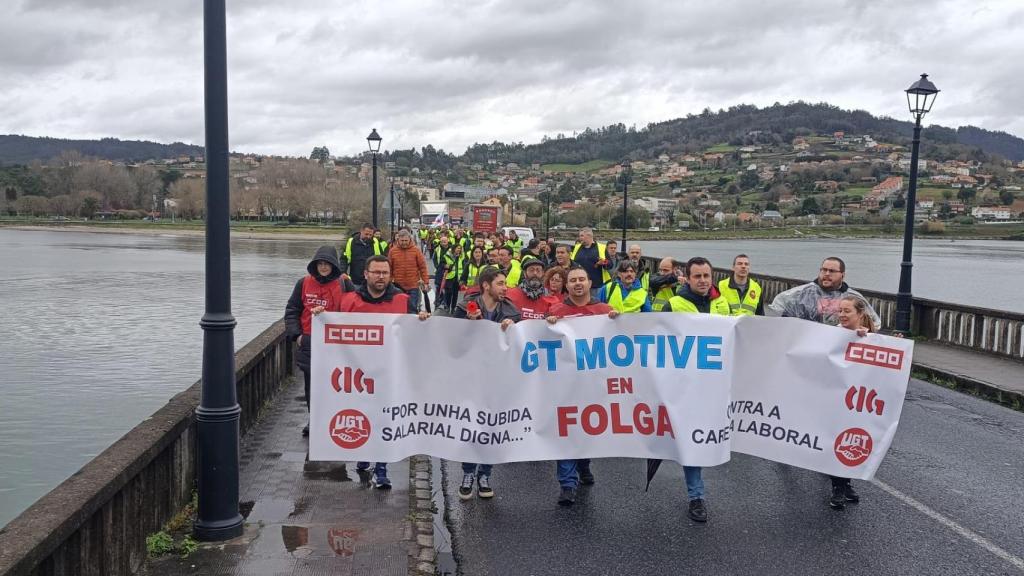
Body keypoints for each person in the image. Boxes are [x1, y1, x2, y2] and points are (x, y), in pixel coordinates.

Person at [326, 255, 429, 488]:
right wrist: (321, 315)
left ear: (390, 275)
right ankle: (364, 454)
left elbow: (416, 333)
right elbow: (333, 328)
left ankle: (381, 469)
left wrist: (422, 320)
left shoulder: (402, 300)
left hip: (390, 372)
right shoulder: (349, 300)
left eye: (385, 272)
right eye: (376, 272)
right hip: (358, 374)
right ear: (366, 274)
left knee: (385, 419)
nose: (381, 276)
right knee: (364, 415)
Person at [545, 266, 620, 506]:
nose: (578, 284)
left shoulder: (605, 311)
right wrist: (549, 325)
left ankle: (584, 464)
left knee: (587, 430)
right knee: (565, 431)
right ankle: (567, 484)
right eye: (573, 280)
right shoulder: (556, 311)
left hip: (594, 384)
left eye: (582, 280)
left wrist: (618, 322)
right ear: (566, 286)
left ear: (590, 283)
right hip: (565, 385)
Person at [661, 256, 728, 522]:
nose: (702, 281)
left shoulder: (721, 303)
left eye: (706, 276)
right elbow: (655, 339)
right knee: (691, 439)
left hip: (717, 383)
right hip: (685, 385)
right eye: (697, 276)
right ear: (687, 278)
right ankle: (696, 496)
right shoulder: (674, 304)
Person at [453, 266, 521, 500]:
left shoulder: (512, 311)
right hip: (471, 377)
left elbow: (520, 344)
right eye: (501, 283)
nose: (506, 288)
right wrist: (468, 325)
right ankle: (468, 473)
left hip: (499, 378)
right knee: (472, 427)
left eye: (506, 284)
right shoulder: (464, 308)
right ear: (486, 285)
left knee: (493, 428)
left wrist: (514, 330)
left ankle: (485, 474)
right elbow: (451, 340)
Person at [284, 246, 354, 437]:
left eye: (327, 264)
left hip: (337, 344)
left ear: (334, 265)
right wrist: (297, 335)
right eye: (320, 264)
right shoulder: (303, 283)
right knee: (312, 385)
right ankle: (314, 418)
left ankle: (334, 418)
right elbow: (292, 310)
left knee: (336, 384)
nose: (323, 267)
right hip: (310, 342)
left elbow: (357, 308)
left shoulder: (344, 284)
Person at [828, 295, 883, 510]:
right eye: (840, 311)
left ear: (860, 314)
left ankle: (846, 483)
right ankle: (838, 487)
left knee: (853, 441)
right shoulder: (833, 335)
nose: (841, 315)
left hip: (858, 400)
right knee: (837, 442)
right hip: (836, 397)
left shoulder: (872, 338)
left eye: (847, 311)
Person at [766, 257, 880, 327]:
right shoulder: (800, 294)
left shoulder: (854, 298)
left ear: (843, 275)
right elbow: (778, 312)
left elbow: (873, 323)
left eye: (832, 271)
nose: (826, 274)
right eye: (824, 270)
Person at [388, 229, 430, 312]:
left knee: (412, 309)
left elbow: (422, 267)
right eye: (402, 240)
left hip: (413, 285)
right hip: (398, 286)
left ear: (410, 239)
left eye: (406, 240)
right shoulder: (392, 251)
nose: (404, 243)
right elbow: (389, 268)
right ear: (398, 240)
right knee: (399, 309)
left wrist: (426, 282)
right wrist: (388, 282)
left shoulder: (416, 250)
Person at [341, 223, 386, 288]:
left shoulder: (375, 242)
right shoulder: (352, 242)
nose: (368, 237)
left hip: (371, 281)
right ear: (361, 231)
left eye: (370, 235)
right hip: (356, 281)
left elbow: (381, 259)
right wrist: (343, 272)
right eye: (366, 234)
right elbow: (344, 259)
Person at [570, 228, 612, 292]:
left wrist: (604, 262)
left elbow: (610, 264)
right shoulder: (576, 247)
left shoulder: (601, 247)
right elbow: (571, 262)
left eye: (582, 236)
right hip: (579, 285)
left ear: (589, 236)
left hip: (596, 286)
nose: (579, 238)